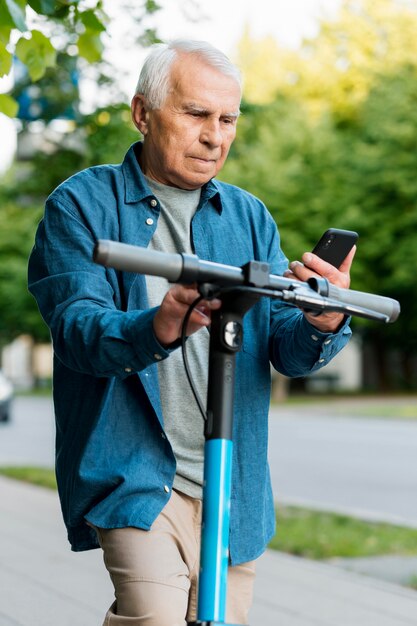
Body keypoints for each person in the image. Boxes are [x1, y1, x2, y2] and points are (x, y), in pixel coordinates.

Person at [28, 40, 354, 625]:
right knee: (155, 617)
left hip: (232, 483)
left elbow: (285, 345)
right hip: (137, 475)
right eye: (196, 114)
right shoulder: (80, 204)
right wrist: (155, 327)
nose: (215, 136)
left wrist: (321, 319)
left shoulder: (250, 217)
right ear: (142, 113)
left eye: (227, 119)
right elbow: (78, 327)